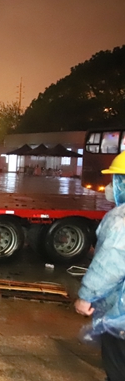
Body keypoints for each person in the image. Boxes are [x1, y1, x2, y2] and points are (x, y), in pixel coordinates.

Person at [74, 152, 125, 380]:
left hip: (121, 318)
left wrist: (86, 297)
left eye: (116, 179)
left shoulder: (121, 220)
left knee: (118, 368)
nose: (111, 186)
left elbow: (110, 265)